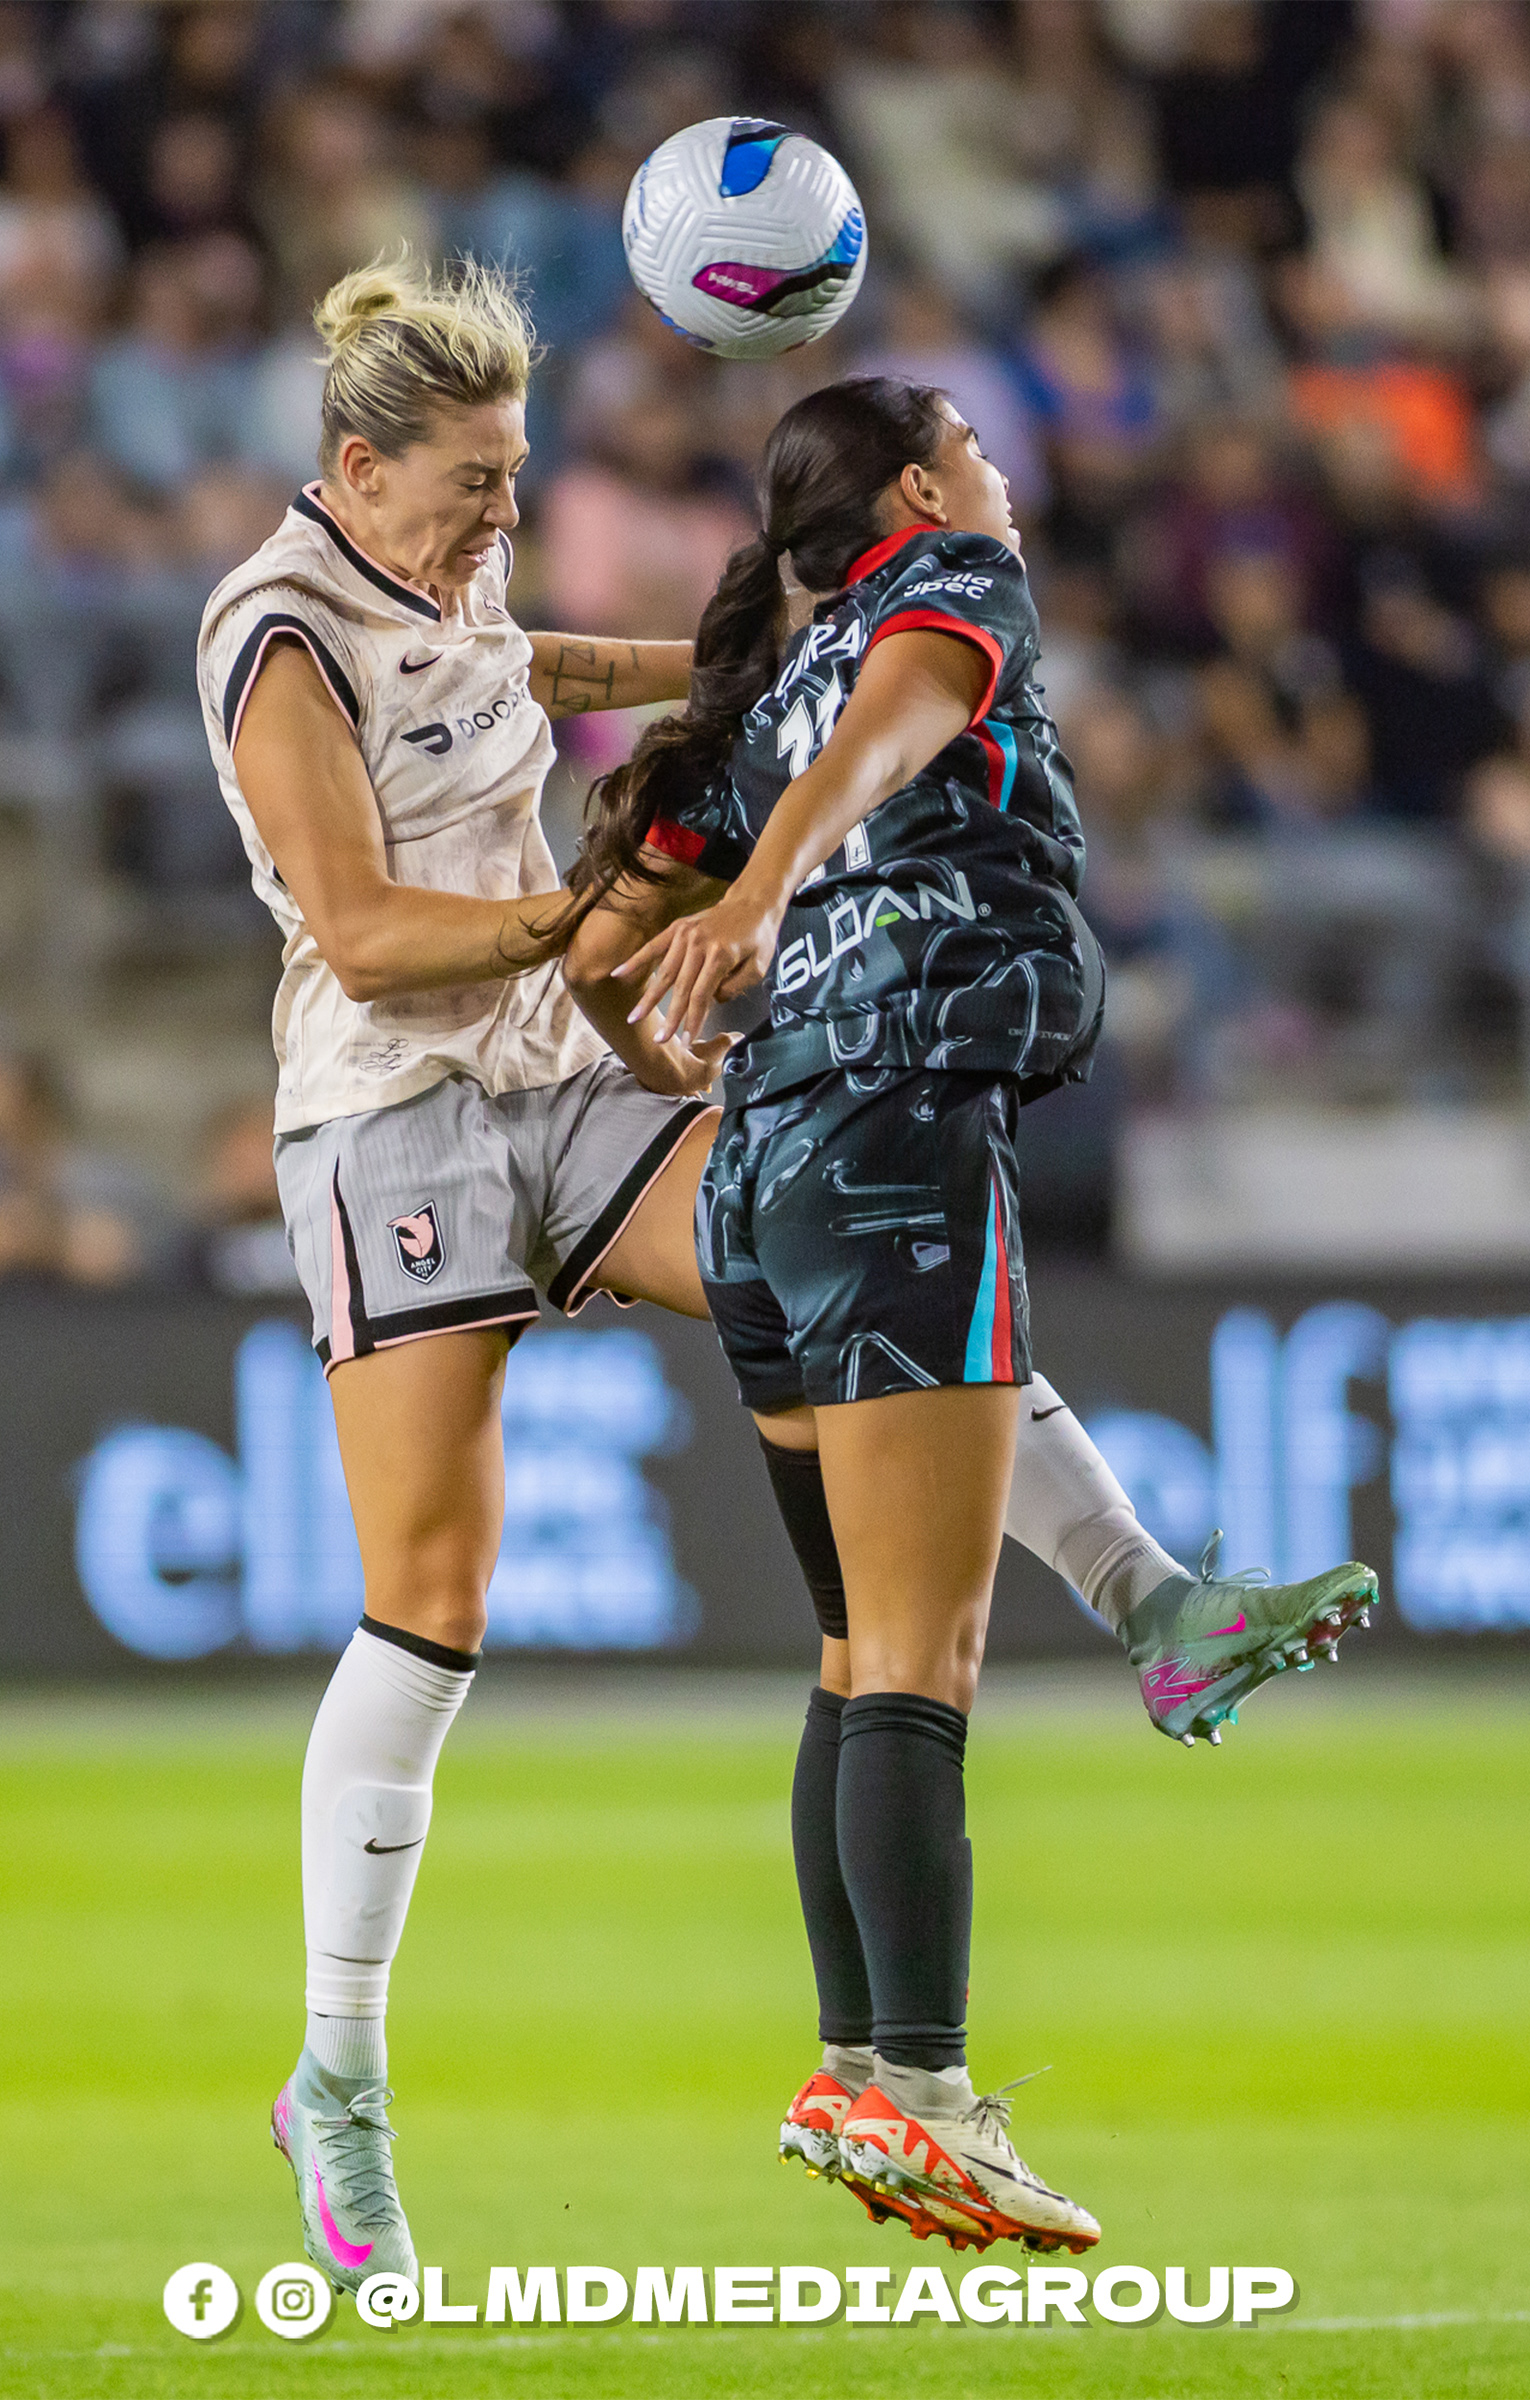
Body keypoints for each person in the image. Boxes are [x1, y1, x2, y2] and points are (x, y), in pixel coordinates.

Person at [197, 259, 1365, 2296]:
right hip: (391, 1112)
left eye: (514, 479)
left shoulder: (450, 581)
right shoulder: (271, 630)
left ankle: (1153, 1603)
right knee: (434, 1600)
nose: (500, 518)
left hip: (571, 1083)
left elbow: (521, 662)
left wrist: (746, 671)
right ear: (359, 470)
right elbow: (369, 936)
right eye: (471, 486)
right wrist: (597, 912)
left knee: (850, 1287)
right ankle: (341, 2078)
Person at [563, 378, 1376, 2256]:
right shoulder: (947, 590)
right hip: (902, 1127)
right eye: (976, 450)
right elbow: (914, 707)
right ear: (920, 490)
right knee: (924, 1653)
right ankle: (924, 2097)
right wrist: (771, 889)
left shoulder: (758, 699)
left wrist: (672, 1037)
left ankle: (855, 2070)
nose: (1000, 476)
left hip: (766, 1169)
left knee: (858, 1649)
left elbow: (601, 947)